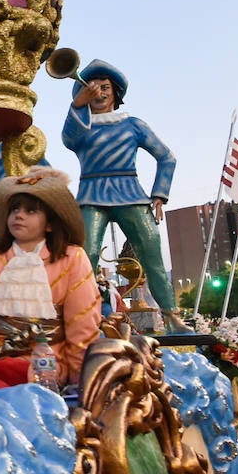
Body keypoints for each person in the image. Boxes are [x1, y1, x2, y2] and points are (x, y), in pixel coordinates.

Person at [62, 58, 187, 333]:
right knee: (85, 257)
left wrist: (159, 194)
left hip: (131, 194)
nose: (100, 92)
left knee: (152, 255)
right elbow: (68, 140)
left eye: (105, 87)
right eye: (92, 87)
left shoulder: (133, 125)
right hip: (91, 197)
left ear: (116, 93)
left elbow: (167, 157)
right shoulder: (81, 127)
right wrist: (77, 106)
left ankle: (171, 317)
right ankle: (82, 320)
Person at [0, 166, 102, 386]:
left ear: (50, 223)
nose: (18, 215)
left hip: (48, 368)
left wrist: (83, 381)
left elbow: (82, 325)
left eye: (30, 211)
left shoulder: (73, 259)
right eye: (14, 209)